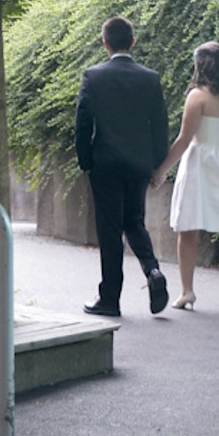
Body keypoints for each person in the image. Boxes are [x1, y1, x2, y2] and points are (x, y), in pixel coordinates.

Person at [151, 41, 219, 318]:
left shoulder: (197, 97)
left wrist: (161, 169)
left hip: (201, 163)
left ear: (200, 66)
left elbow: (184, 140)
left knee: (188, 229)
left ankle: (187, 291)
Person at [74, 16, 171, 316]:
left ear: (105, 43)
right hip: (139, 164)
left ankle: (110, 299)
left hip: (106, 165)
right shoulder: (150, 78)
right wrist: (156, 165)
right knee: (134, 221)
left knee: (110, 230)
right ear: (133, 41)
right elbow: (160, 126)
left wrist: (86, 161)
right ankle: (153, 271)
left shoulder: (94, 76)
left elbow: (82, 123)